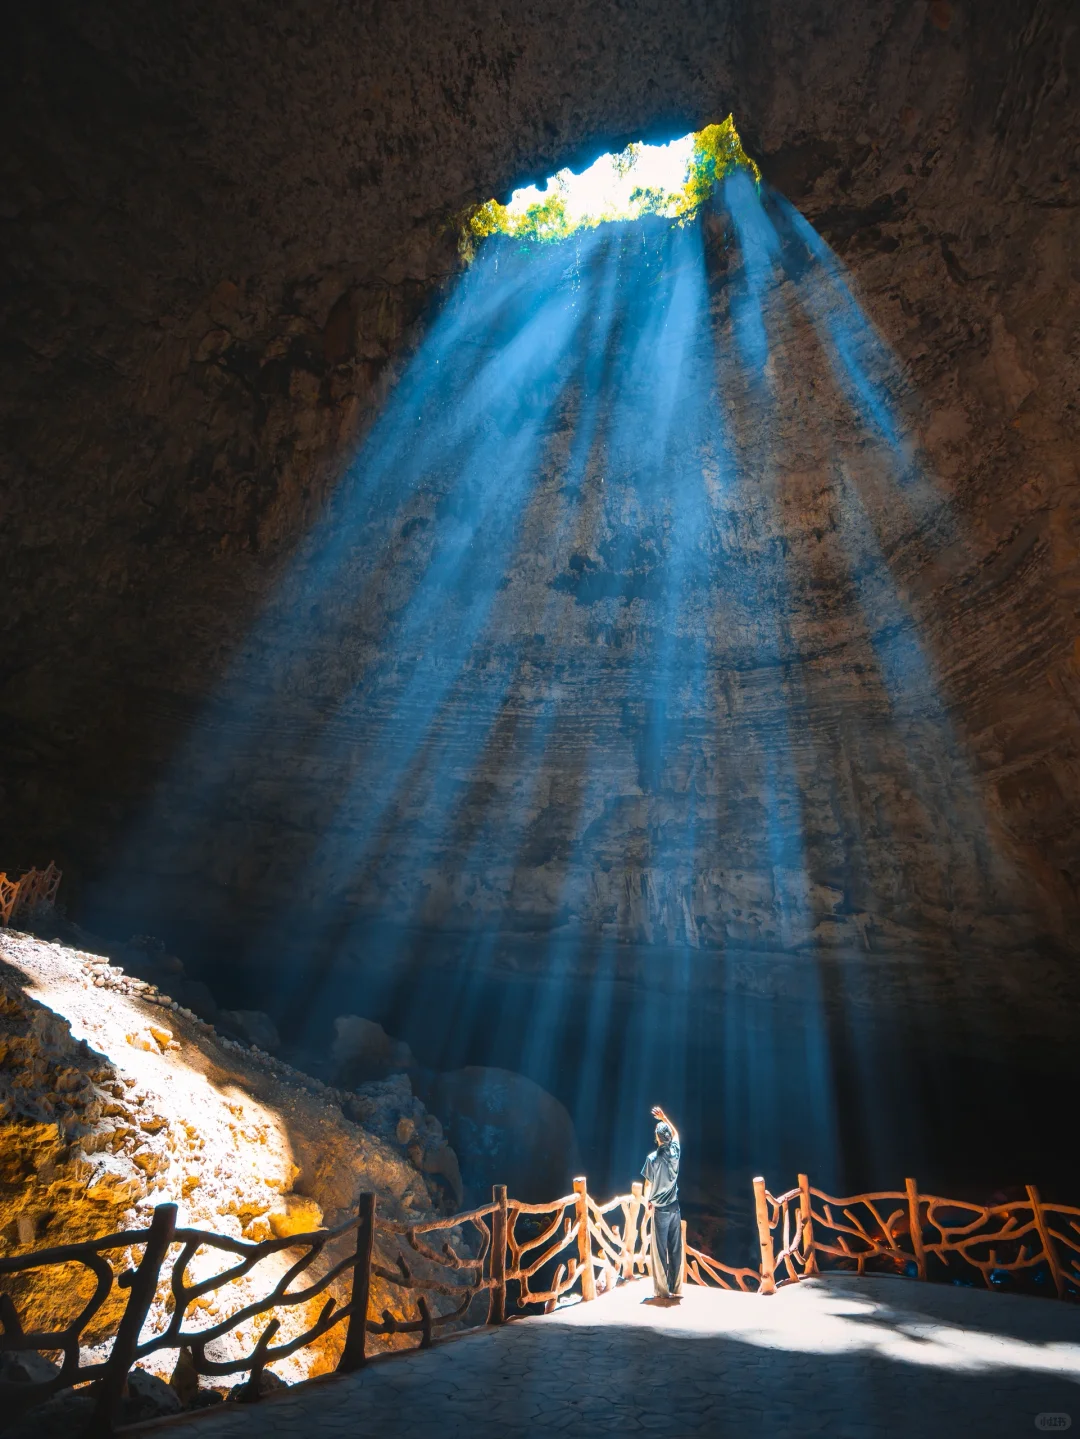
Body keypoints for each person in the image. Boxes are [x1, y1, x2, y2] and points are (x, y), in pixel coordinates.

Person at [641, 1103, 682, 1300]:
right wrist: (664, 1117)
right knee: (675, 1248)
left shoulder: (651, 1159)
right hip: (675, 1207)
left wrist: (648, 1202)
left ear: (657, 1138)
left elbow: (647, 1184)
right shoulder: (676, 1152)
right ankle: (676, 1287)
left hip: (660, 1209)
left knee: (659, 1250)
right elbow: (676, 1133)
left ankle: (662, 1290)